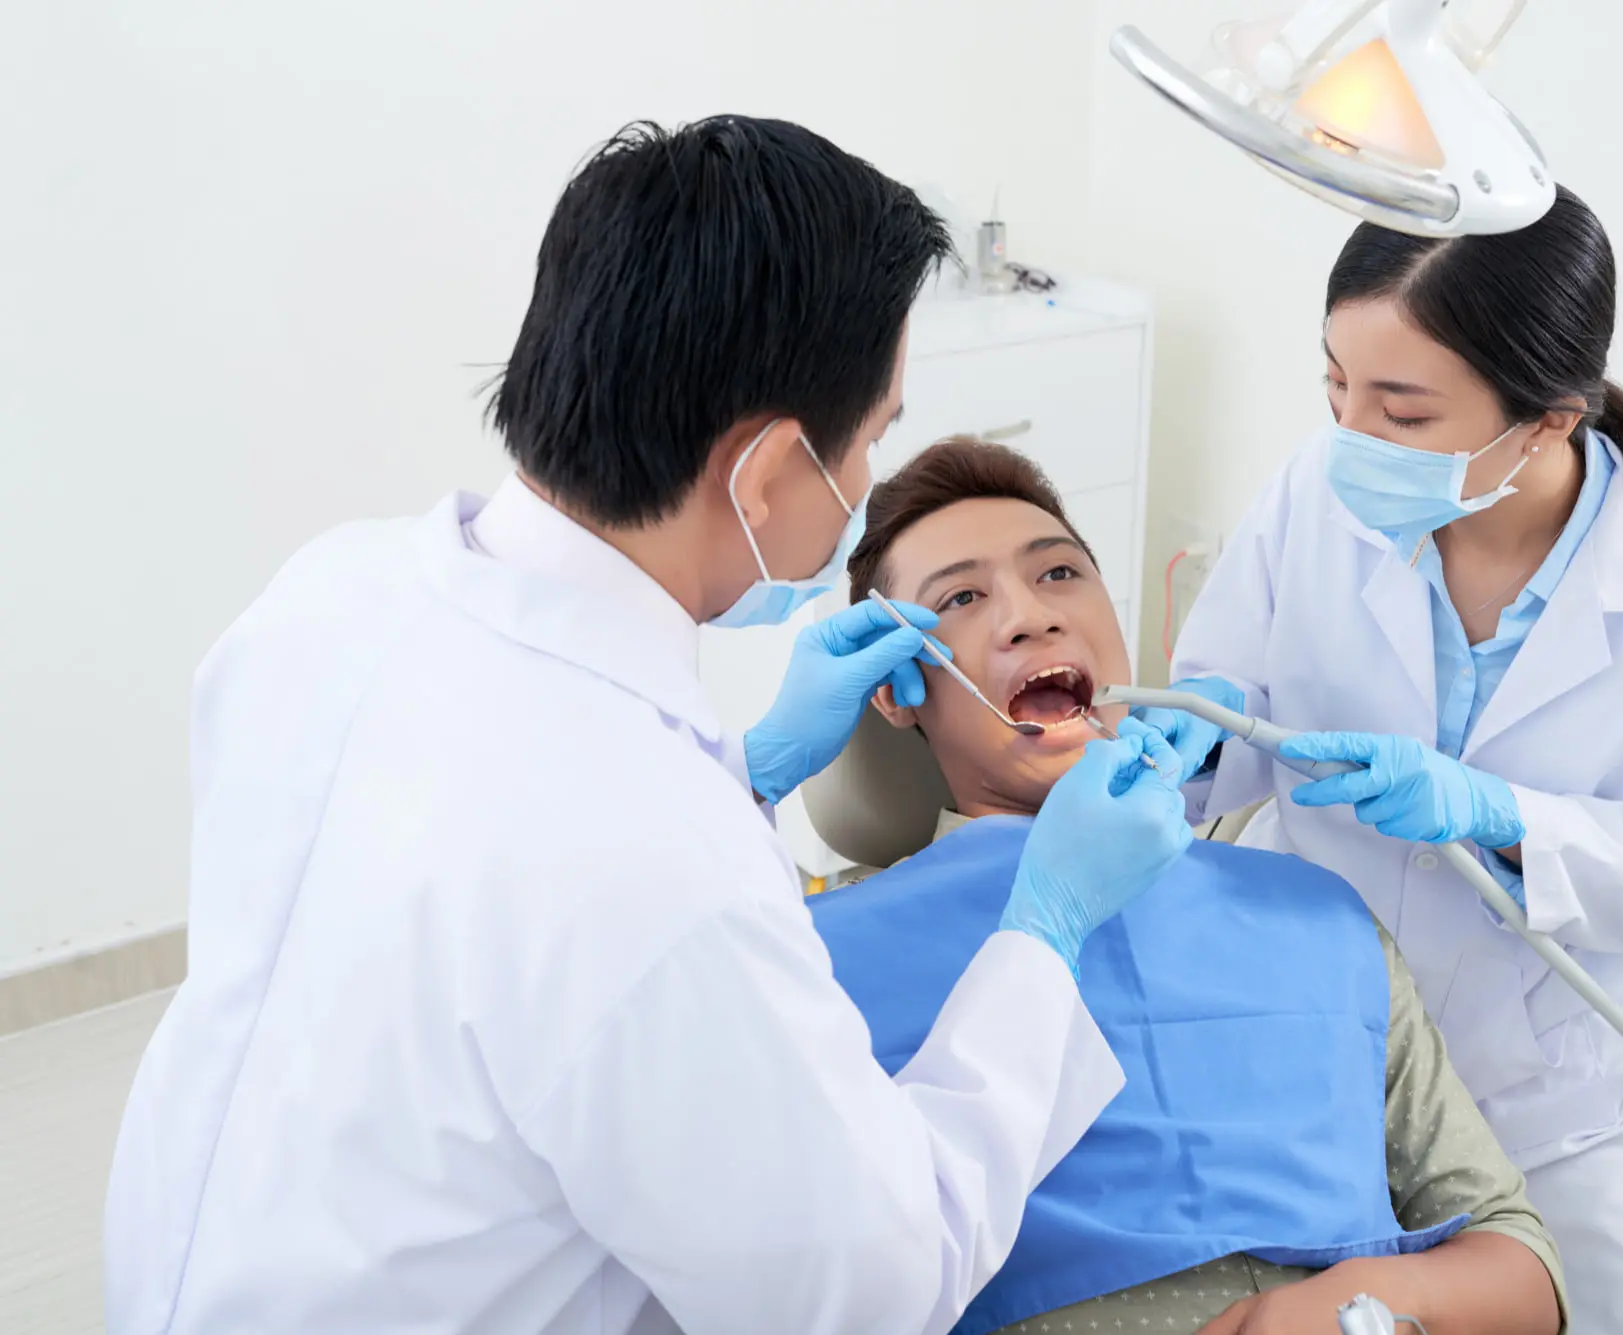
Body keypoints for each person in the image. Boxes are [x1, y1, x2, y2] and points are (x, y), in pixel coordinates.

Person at [103, 119, 1195, 1335]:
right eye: (875, 433)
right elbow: (868, 1286)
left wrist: (747, 771)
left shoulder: (334, 589)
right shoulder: (655, 862)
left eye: (1056, 576)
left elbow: (502, 892)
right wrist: (1045, 931)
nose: (1026, 624)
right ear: (770, 469)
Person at [1150, 186, 1623, 1333]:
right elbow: (1233, 698)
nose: (1350, 437)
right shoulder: (1318, 485)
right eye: (1334, 385)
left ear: (1548, 417)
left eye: (1400, 411)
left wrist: (1492, 813)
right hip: (1306, 1042)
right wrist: (1194, 726)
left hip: (1550, 1104)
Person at [809, 437, 1568, 1335]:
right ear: (894, 690)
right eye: (962, 597)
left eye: (1058, 573)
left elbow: (1520, 1262)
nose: (1029, 616)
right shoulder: (819, 958)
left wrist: (1346, 1306)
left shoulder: (1316, 915)